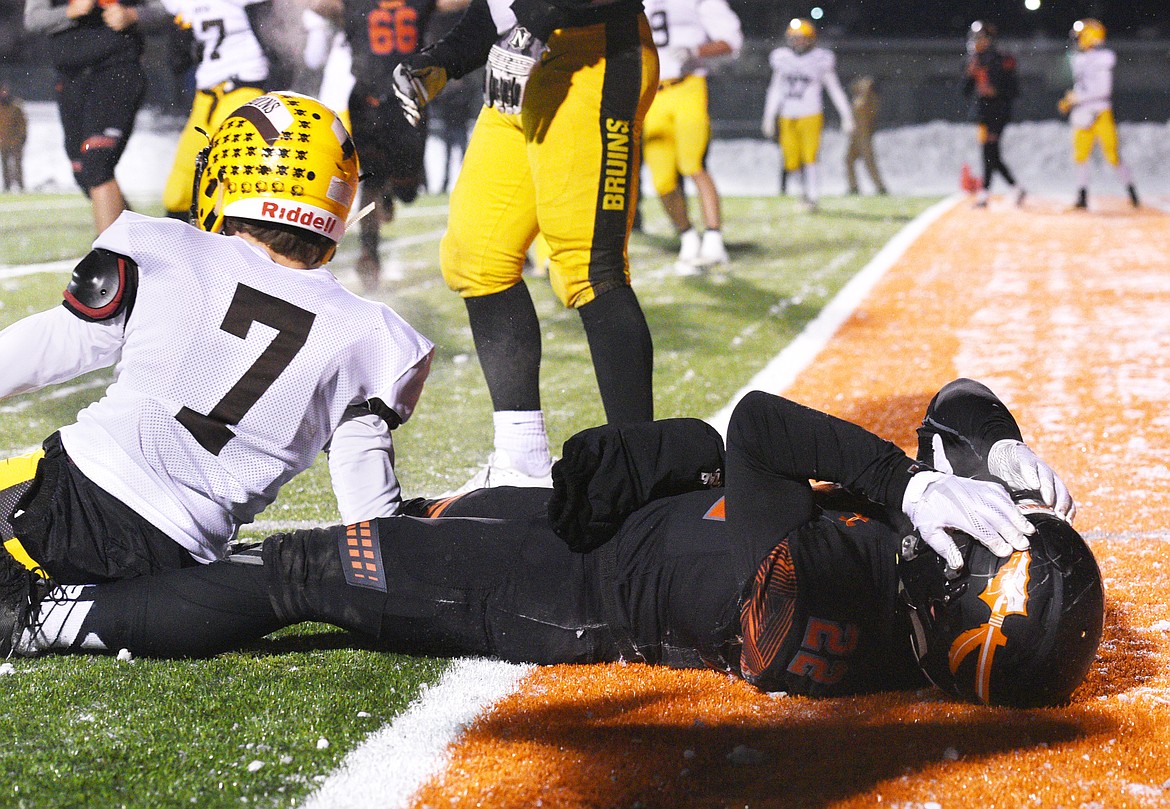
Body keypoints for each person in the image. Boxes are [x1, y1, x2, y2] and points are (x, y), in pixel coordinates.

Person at [2, 379, 1103, 711]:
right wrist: (992, 455)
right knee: (391, 525)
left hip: (556, 583)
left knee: (302, 574)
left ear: (954, 596)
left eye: (981, 550)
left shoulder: (817, 587)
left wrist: (912, 480)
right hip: (593, 532)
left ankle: (53, 621)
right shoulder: (906, 605)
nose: (962, 540)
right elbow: (960, 403)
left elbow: (761, 424)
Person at [0, 92, 434, 586]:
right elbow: (371, 518)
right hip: (185, 564)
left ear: (230, 184)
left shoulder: (169, 249)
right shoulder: (369, 335)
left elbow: (58, 344)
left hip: (68, 507)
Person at [390, 0, 658, 492]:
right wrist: (444, 58)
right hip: (523, 60)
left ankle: (640, 473)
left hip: (594, 53)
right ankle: (523, 458)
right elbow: (497, 8)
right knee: (477, 255)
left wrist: (534, 23)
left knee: (588, 268)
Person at [309, 0, 464, 294]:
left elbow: (318, 7)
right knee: (371, 177)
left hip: (401, 98)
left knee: (406, 191)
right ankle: (370, 252)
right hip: (373, 100)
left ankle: (393, 190)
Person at [23, 0, 170, 234]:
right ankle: (138, 245)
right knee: (83, 172)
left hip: (116, 70)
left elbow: (167, 10)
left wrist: (132, 15)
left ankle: (110, 261)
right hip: (71, 79)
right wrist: (70, 11)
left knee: (97, 163)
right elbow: (33, 19)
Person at [159, 0, 290, 221]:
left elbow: (280, 42)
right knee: (178, 193)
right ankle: (179, 252)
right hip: (206, 95)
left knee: (233, 184)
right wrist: (181, 31)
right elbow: (177, 58)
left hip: (245, 90)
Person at [641, 0, 742, 273]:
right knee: (662, 180)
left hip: (688, 86)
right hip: (652, 93)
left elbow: (732, 40)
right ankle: (687, 236)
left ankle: (713, 238)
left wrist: (696, 50)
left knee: (693, 164)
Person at [761, 18, 853, 212]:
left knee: (810, 157)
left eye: (803, 38)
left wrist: (847, 116)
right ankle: (802, 193)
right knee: (791, 160)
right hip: (787, 115)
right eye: (795, 38)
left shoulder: (820, 60)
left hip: (811, 114)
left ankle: (813, 196)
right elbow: (775, 89)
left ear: (812, 40)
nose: (798, 42)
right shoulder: (782, 59)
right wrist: (769, 116)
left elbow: (834, 89)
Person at [1059, 18, 1139, 211]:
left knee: (1112, 155)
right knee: (1080, 156)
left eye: (1080, 36)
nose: (1077, 40)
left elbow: (1102, 89)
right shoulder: (1080, 59)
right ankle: (1082, 196)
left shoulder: (1103, 58)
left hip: (1100, 111)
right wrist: (1073, 98)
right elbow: (1084, 86)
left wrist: (1076, 98)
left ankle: (1132, 192)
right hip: (1084, 111)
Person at [963, 20, 1025, 209]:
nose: (977, 42)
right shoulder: (975, 61)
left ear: (989, 39)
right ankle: (1015, 188)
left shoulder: (1002, 60)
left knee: (989, 152)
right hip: (983, 114)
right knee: (991, 155)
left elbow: (1014, 90)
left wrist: (996, 91)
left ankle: (984, 194)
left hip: (998, 112)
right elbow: (965, 91)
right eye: (975, 38)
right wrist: (969, 75)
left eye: (980, 37)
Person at [844, 75, 887, 196]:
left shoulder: (870, 100)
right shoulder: (862, 98)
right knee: (849, 160)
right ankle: (853, 187)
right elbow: (853, 88)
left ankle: (881, 187)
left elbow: (861, 108)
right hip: (856, 136)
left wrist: (865, 88)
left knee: (869, 162)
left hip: (864, 136)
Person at [0, 83, 27, 193]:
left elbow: (22, 124)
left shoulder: (16, 107)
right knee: (5, 166)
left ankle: (20, 186)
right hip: (3, 141)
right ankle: (7, 186)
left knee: (17, 165)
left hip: (15, 141)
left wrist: (21, 137)